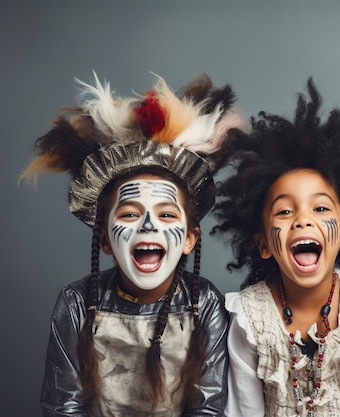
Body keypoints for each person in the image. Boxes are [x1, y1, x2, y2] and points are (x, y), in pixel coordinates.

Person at [22, 71, 246, 416]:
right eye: (129, 213)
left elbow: (209, 408)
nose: (148, 225)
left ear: (189, 239)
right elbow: (62, 406)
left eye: (167, 215)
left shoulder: (205, 305)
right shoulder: (77, 303)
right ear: (106, 240)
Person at [211, 79, 340, 417]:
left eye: (321, 208)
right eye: (284, 211)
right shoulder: (248, 319)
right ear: (264, 244)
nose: (302, 220)